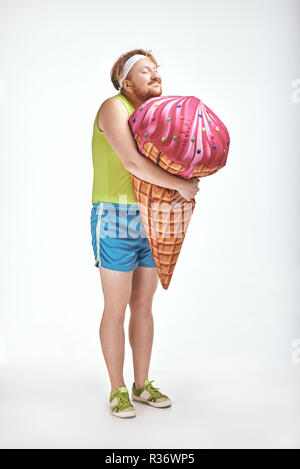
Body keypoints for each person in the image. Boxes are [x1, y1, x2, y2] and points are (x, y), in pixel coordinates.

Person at [90, 49, 200, 418]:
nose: (155, 76)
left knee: (143, 306)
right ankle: (117, 389)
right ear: (126, 81)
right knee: (117, 306)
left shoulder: (155, 115)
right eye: (145, 71)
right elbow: (132, 162)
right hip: (115, 215)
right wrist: (181, 186)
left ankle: (141, 384)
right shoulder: (113, 107)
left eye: (157, 71)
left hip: (155, 214)